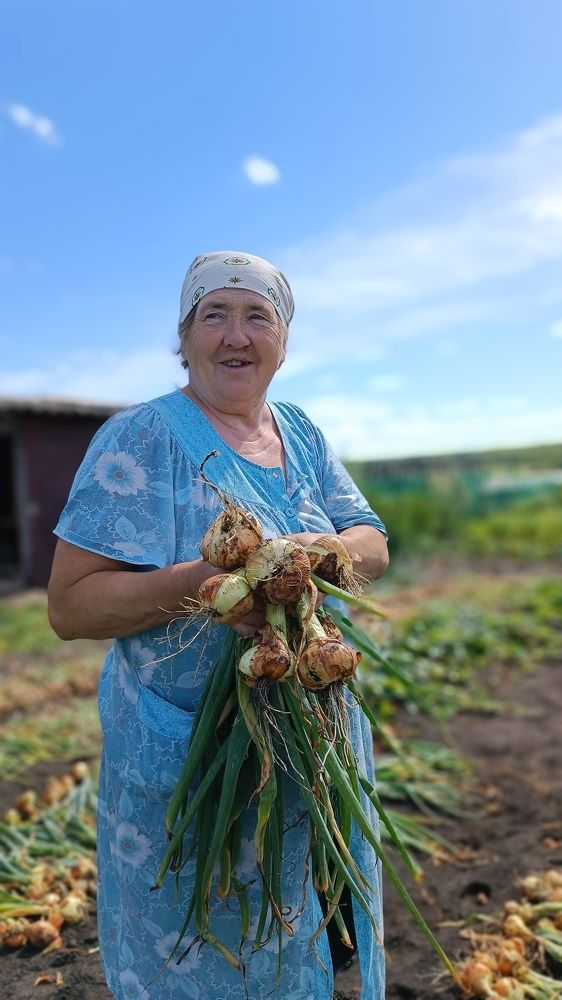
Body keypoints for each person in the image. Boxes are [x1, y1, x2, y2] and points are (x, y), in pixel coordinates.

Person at [48, 251, 389, 1000]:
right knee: (194, 948)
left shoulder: (300, 433)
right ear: (184, 336)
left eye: (258, 316)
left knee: (296, 939)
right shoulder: (139, 438)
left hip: (307, 742)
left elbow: (372, 539)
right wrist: (207, 586)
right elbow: (69, 606)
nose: (237, 336)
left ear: (283, 340)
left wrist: (322, 554)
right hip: (190, 755)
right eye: (215, 315)